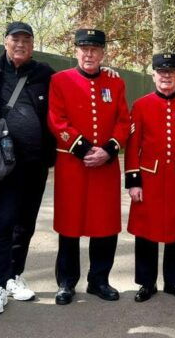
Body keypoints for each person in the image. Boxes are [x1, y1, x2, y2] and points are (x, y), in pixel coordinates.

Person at [48, 28, 130, 304]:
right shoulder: (60, 80)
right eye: (84, 48)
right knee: (69, 225)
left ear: (103, 52)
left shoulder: (115, 83)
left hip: (105, 166)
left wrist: (109, 150)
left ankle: (99, 280)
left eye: (95, 49)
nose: (89, 54)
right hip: (73, 163)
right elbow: (56, 119)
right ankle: (67, 283)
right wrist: (83, 148)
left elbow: (123, 120)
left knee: (105, 225)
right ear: (76, 51)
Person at [0, 22, 56, 314]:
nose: (20, 44)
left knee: (26, 222)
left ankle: (14, 276)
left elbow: (76, 86)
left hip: (35, 163)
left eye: (26, 39)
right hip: (4, 162)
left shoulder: (44, 73)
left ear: (33, 44)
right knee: (4, 221)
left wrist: (108, 71)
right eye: (15, 39)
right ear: (5, 42)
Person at [125, 53, 175, 303]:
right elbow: (132, 145)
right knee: (146, 232)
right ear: (154, 75)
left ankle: (174, 282)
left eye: (171, 72)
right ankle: (146, 283)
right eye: (161, 72)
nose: (166, 76)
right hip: (149, 178)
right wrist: (134, 181)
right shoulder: (140, 105)